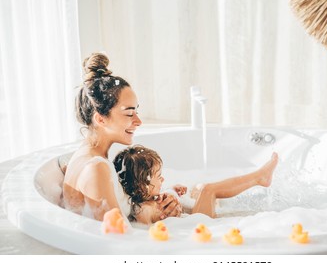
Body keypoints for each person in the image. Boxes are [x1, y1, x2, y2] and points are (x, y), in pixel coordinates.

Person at [62, 53, 181, 221]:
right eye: (129, 113)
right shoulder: (96, 168)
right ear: (100, 119)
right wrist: (151, 215)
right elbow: (120, 239)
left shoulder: (88, 157)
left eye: (136, 112)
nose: (138, 121)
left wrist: (150, 205)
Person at [113, 144, 279, 225]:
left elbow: (164, 204)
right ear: (143, 186)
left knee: (198, 188)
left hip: (192, 219)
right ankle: (260, 177)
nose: (162, 180)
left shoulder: (145, 196)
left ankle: (217, 201)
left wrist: (171, 191)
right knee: (208, 190)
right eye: (158, 176)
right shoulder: (143, 210)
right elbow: (147, 227)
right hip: (198, 224)